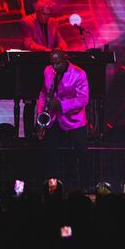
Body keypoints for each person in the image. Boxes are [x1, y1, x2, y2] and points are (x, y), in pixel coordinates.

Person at [37, 49, 90, 189]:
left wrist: (61, 105)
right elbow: (44, 92)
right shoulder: (48, 70)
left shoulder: (79, 74)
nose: (55, 67)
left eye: (58, 63)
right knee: (49, 151)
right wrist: (40, 112)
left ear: (65, 59)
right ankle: (53, 188)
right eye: (52, 63)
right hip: (55, 118)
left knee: (83, 153)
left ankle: (84, 187)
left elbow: (84, 99)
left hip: (74, 120)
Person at [20, 0, 70, 139]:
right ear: (38, 11)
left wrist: (62, 49)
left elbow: (61, 41)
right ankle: (29, 134)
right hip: (32, 67)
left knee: (53, 99)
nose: (47, 16)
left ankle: (54, 132)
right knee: (30, 100)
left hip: (51, 66)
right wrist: (49, 51)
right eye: (44, 13)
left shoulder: (54, 22)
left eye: (49, 13)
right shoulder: (26, 21)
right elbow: (28, 43)